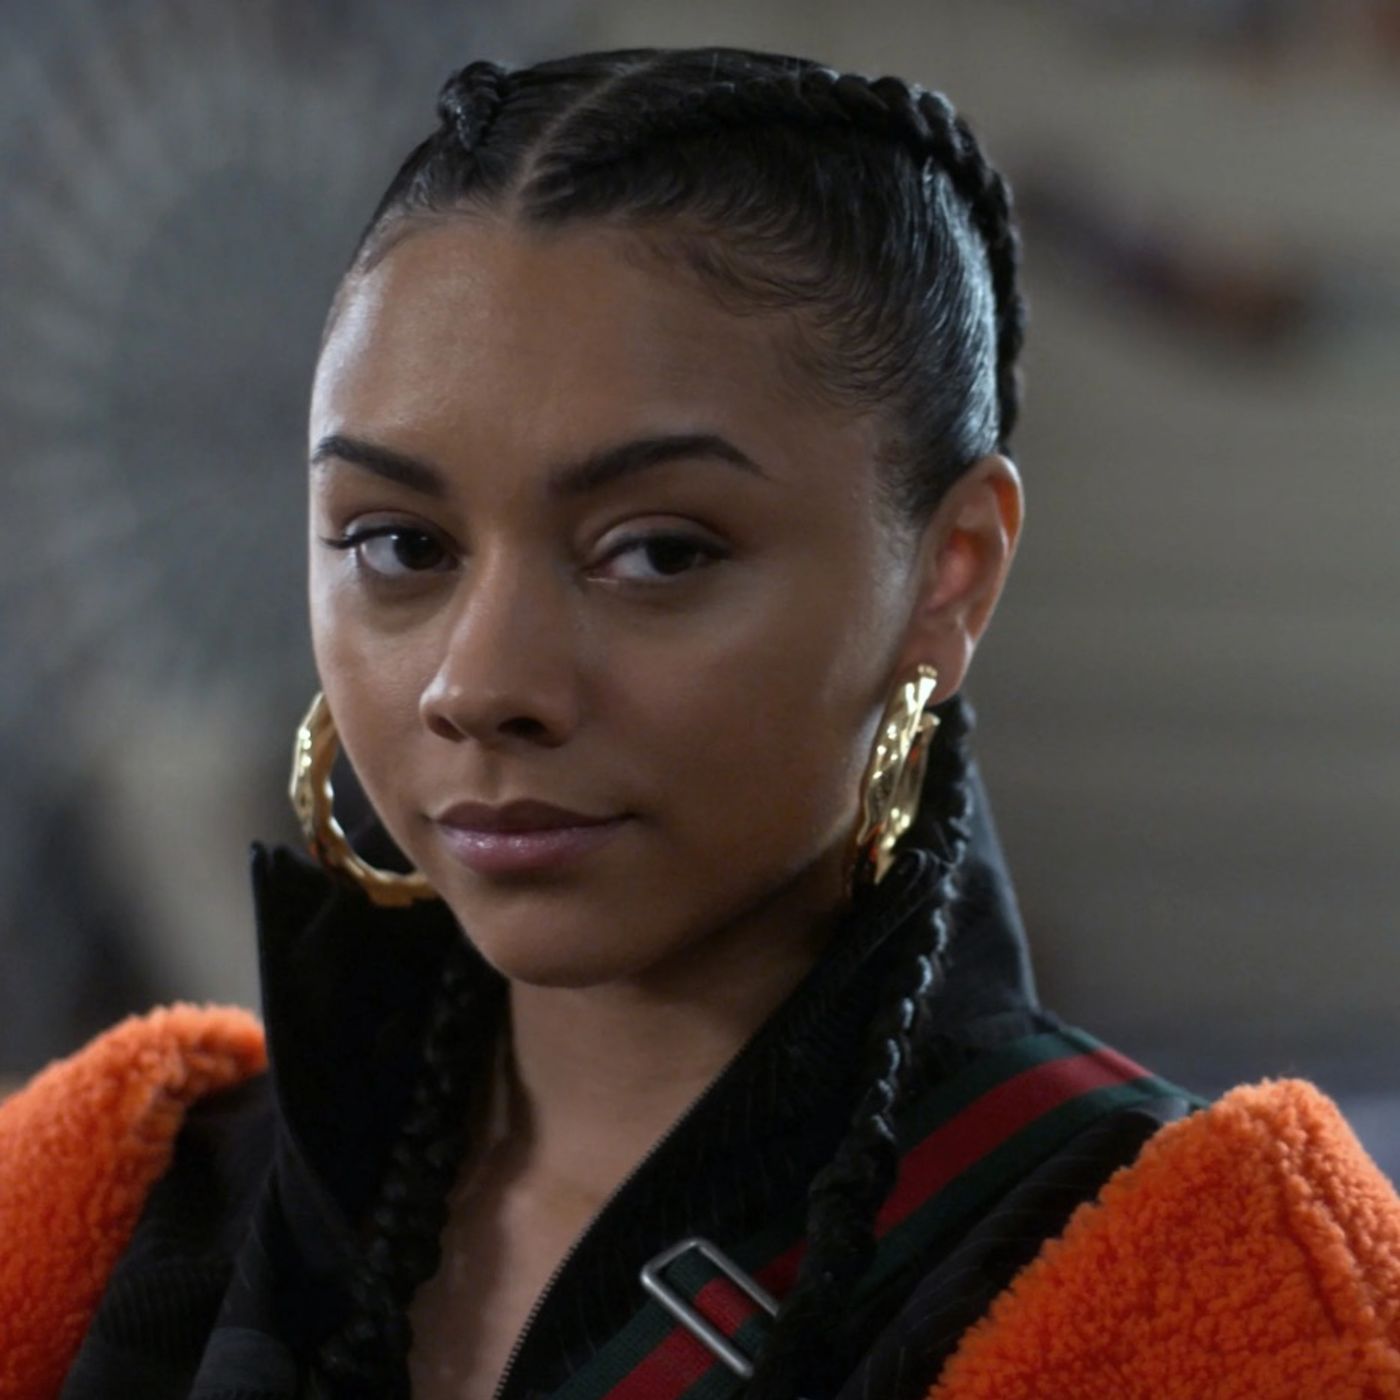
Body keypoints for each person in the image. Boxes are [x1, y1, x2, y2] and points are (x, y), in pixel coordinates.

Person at [3, 45, 1398, 1400]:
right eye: (400, 546)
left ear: (950, 574)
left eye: (658, 552)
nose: (481, 684)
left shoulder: (1223, 1295)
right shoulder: (107, 1198)